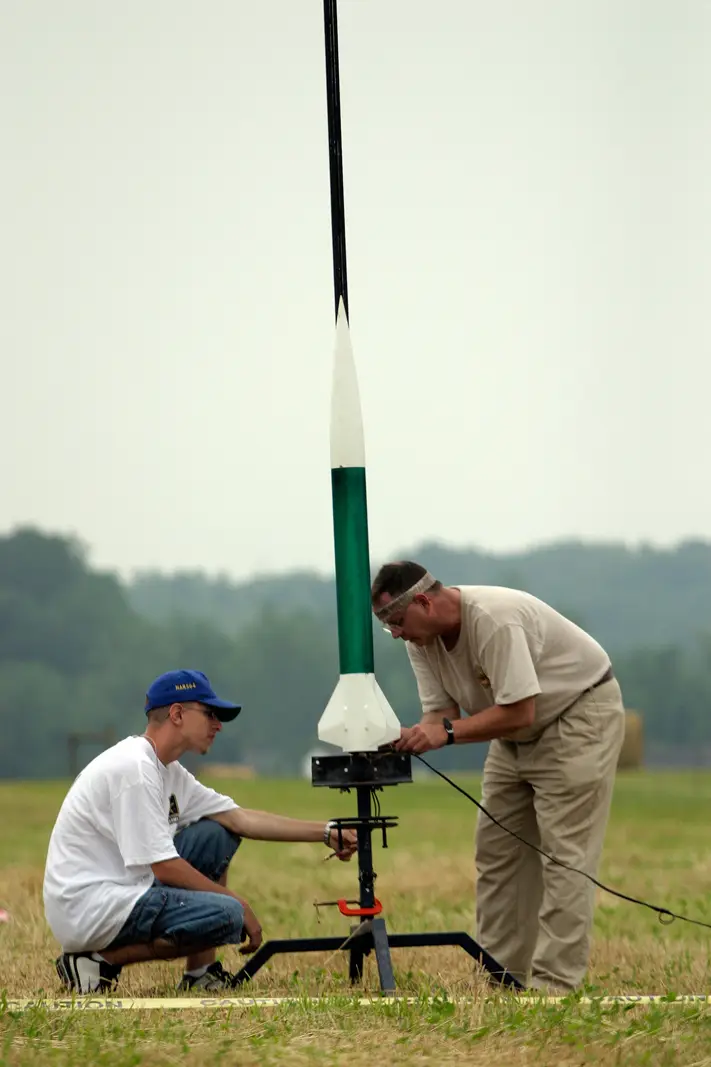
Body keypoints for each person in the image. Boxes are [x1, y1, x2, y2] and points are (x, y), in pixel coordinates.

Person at [371, 561, 625, 994]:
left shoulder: (493, 620)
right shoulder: (421, 641)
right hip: (513, 735)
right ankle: (501, 979)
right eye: (386, 626)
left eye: (396, 621)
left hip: (577, 717)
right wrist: (416, 734)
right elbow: (442, 714)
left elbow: (518, 710)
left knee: (565, 859)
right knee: (497, 852)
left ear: (425, 601)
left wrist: (445, 734)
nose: (395, 634)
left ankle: (554, 988)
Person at [43, 669, 357, 995]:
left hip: (119, 893)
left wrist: (326, 831)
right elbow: (164, 866)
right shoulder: (135, 769)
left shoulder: (167, 771)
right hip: (88, 908)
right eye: (209, 714)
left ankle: (200, 974)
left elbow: (240, 819)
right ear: (177, 714)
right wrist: (237, 902)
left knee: (216, 834)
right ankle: (98, 961)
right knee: (226, 916)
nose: (218, 725)